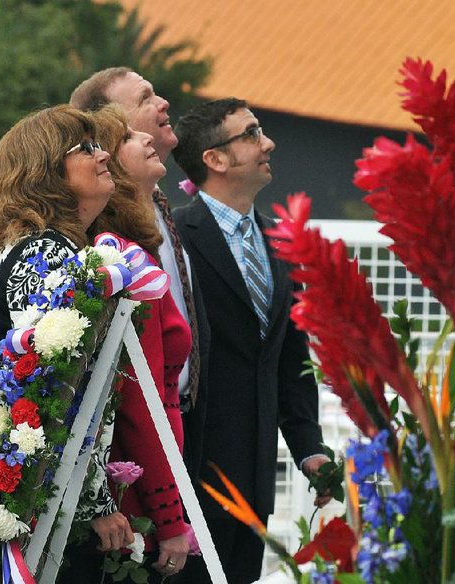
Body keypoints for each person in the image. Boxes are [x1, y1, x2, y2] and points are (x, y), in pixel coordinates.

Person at [0, 105, 134, 555]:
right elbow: (51, 389)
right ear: (46, 172)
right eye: (85, 148)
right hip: (10, 476)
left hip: (14, 468)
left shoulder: (56, 246)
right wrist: (98, 503)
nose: (103, 154)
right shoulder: (43, 254)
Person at [172, 98, 330, 583]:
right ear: (214, 160)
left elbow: (287, 357)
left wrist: (309, 449)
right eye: (252, 133)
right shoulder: (174, 235)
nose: (269, 143)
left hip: (257, 478)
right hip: (190, 475)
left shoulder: (279, 240)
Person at [59, 105, 192, 583]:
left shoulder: (133, 243)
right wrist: (169, 515)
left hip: (148, 464)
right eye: (129, 136)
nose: (149, 138)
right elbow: (142, 397)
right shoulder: (117, 258)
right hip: (130, 483)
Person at [70, 69, 210, 482]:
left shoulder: (162, 206)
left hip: (183, 417)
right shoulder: (104, 239)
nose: (163, 104)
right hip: (132, 441)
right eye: (145, 98)